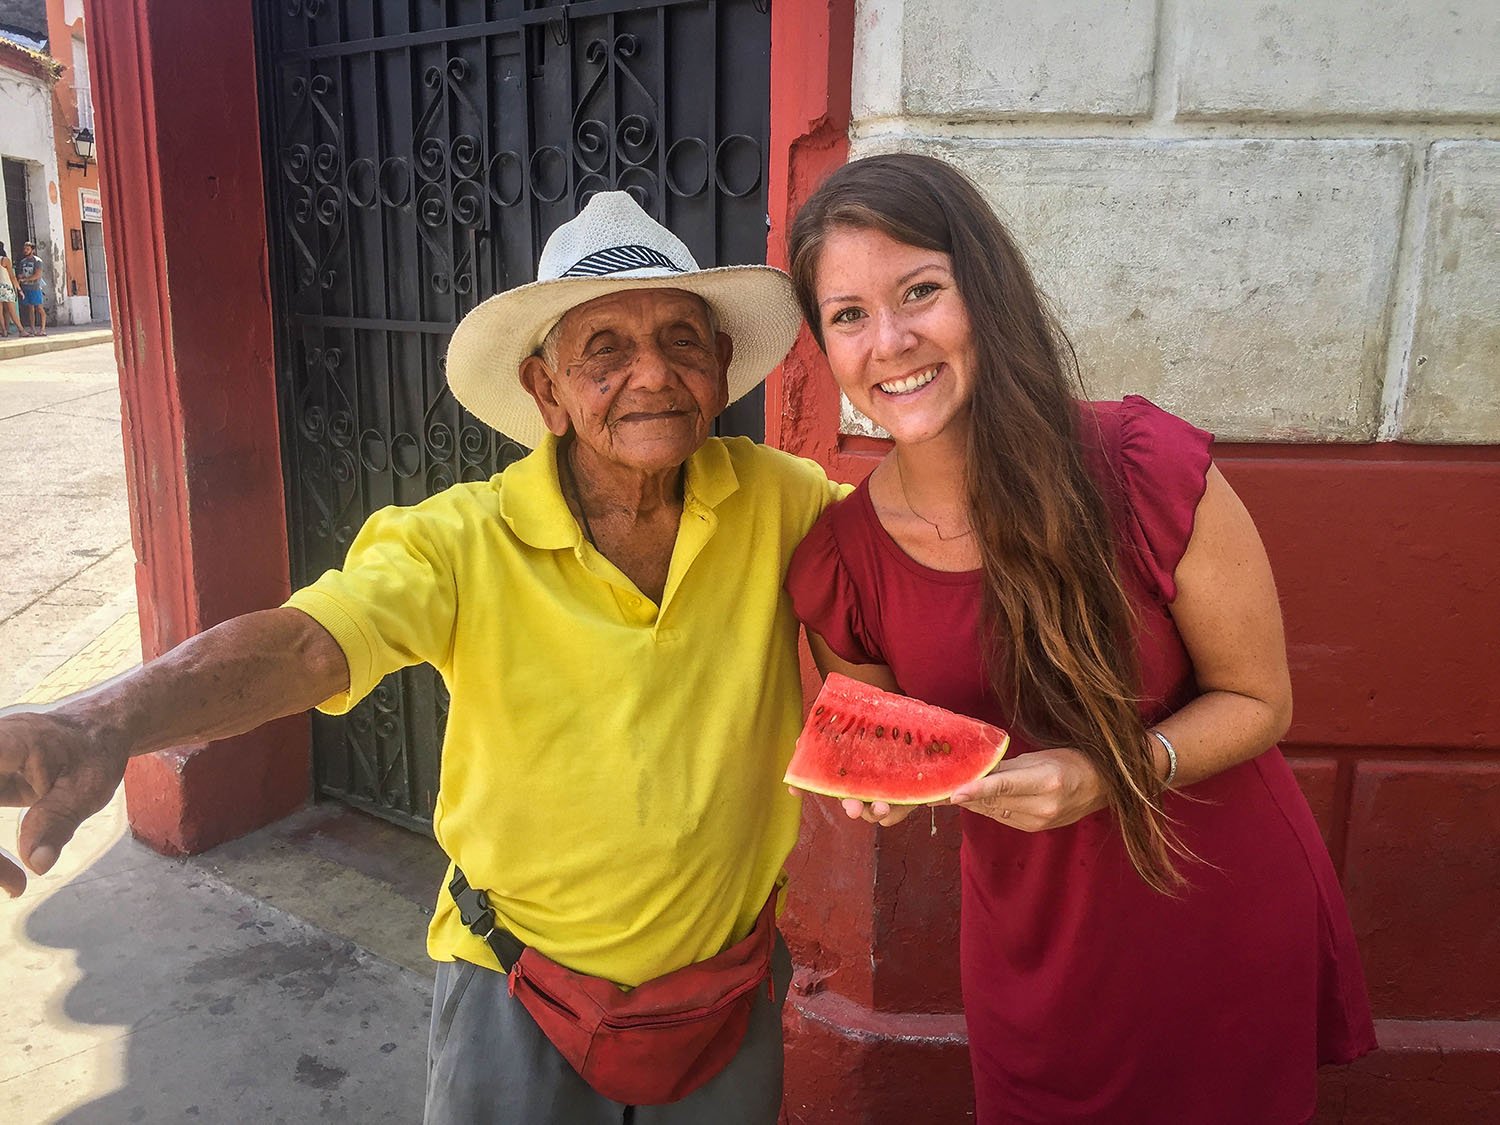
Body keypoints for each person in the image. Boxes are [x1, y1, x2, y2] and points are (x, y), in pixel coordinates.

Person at [0, 191, 845, 1123]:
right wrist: (101, 720)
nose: (653, 374)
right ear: (546, 390)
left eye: (683, 340)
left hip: (726, 989)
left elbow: (913, 573)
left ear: (722, 365)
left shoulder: (787, 500)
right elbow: (306, 643)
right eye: (604, 349)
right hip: (515, 987)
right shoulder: (457, 541)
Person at [783, 153, 1377, 1123]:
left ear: (985, 292)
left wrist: (1112, 773)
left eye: (919, 292)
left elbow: (1263, 701)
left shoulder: (1142, 465)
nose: (889, 341)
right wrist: (880, 791)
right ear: (824, 345)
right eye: (848, 314)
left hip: (1213, 907)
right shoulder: (842, 562)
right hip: (1034, 952)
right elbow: (882, 739)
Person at [15, 241, 45, 337]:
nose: (25, 251)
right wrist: (21, 278)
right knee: (30, 308)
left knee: (39, 308)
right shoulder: (23, 262)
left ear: (32, 250)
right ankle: (32, 328)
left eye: (27, 249)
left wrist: (25, 279)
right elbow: (20, 273)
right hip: (26, 287)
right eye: (24, 249)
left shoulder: (37, 261)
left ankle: (43, 329)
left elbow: (37, 275)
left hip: (35, 287)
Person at [0, 242, 23, 337]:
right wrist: (18, 288)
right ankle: (21, 330)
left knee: (1, 311)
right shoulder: (5, 260)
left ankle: (4, 330)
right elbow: (12, 276)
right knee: (11, 310)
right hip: (6, 287)